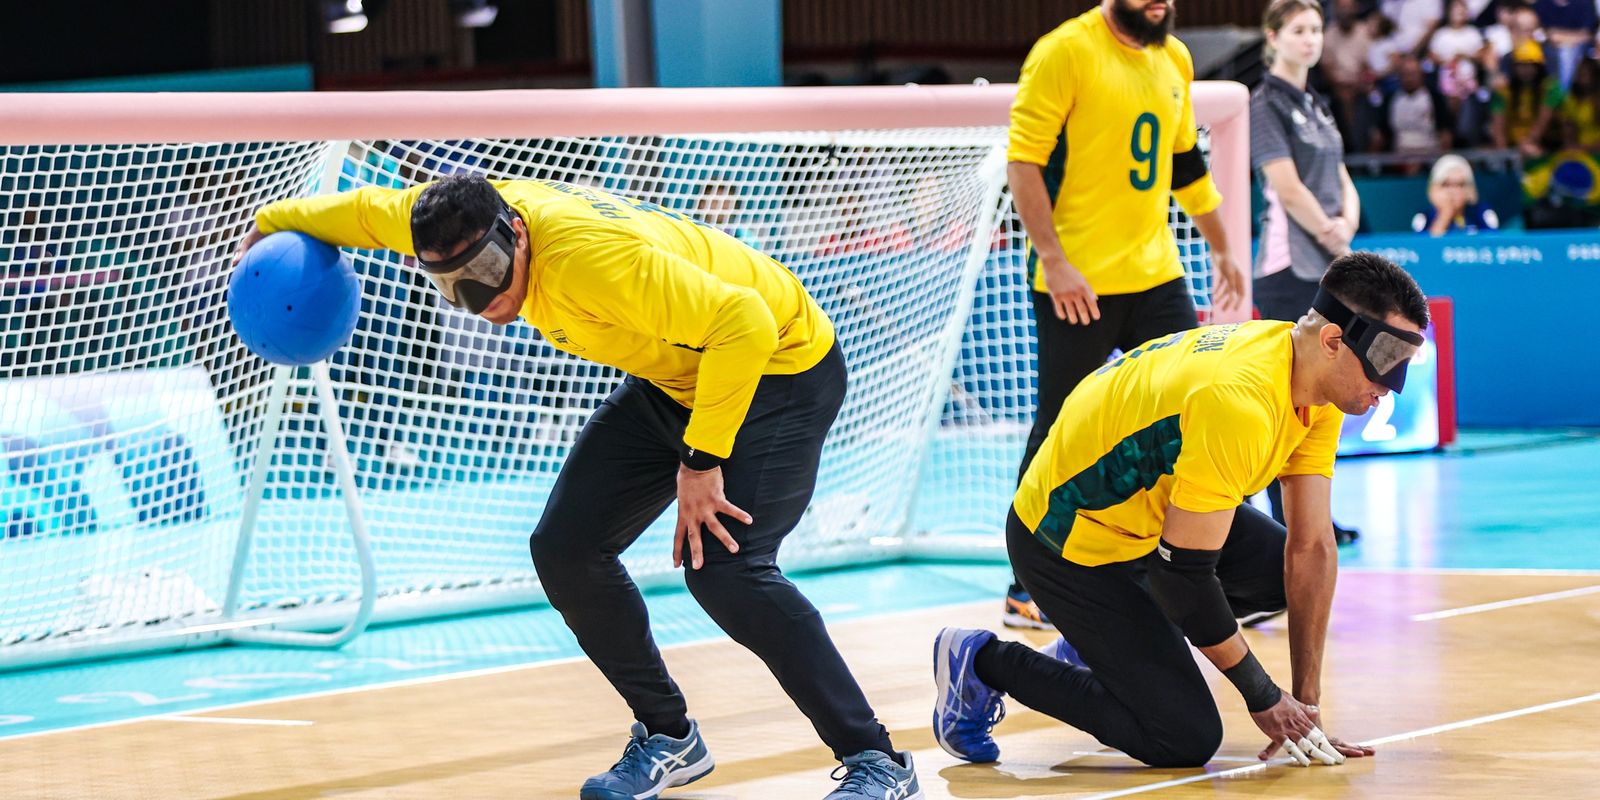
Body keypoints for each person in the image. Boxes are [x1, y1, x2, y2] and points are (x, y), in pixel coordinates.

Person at [234, 175, 920, 800]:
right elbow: (360, 212)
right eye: (454, 288)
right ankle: (669, 736)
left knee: (729, 572)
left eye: (489, 273)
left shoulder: (592, 263)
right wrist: (269, 220)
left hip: (777, 371)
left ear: (519, 231)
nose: (483, 300)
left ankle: (878, 761)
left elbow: (743, 321)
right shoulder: (447, 224)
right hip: (679, 376)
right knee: (565, 549)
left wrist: (700, 462)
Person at [934, 251, 1424, 771]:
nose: (1389, 388)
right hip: (1065, 540)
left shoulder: (1314, 381)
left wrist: (1306, 708)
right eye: (1385, 366)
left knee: (1282, 574)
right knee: (1183, 737)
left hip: (1148, 513)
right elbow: (1182, 580)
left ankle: (1101, 647)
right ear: (1332, 341)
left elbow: (1311, 549)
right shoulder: (1239, 401)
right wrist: (1264, 696)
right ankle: (981, 663)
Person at [1000, 0, 1247, 631]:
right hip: (1077, 281)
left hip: (1156, 273)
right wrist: (1053, 261)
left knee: (1196, 405)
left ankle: (1196, 566)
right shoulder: (1065, 51)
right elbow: (1024, 163)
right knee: (1061, 422)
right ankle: (1027, 582)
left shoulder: (1175, 57)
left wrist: (1222, 246)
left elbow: (1184, 164)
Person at [1251, 0, 1365, 548]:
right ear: (1273, 37)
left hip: (1329, 261)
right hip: (1287, 266)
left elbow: (1342, 175)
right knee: (1290, 396)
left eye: (1317, 29)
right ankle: (1285, 521)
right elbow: (1287, 186)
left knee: (1323, 398)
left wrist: (1347, 222)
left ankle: (1316, 516)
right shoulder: (1264, 104)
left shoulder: (1317, 104)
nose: (1310, 39)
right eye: (1298, 30)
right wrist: (1330, 232)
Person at [1412, 154, 1502, 234]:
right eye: (1446, 184)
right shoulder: (1425, 217)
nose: (1453, 191)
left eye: (1460, 184)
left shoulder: (1481, 213)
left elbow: (1492, 245)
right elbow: (1424, 249)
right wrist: (1445, 214)